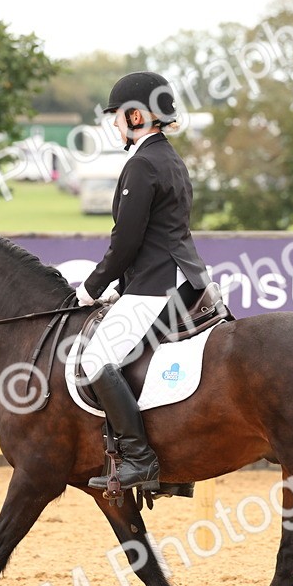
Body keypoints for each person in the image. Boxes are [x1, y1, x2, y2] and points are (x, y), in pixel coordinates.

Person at [75, 71, 213, 493]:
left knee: (95, 361)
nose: (116, 124)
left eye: (118, 116)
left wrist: (92, 288)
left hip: (159, 285)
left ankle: (140, 458)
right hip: (184, 278)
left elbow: (126, 242)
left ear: (137, 116)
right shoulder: (170, 158)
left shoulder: (142, 164)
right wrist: (124, 284)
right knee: (152, 367)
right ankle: (178, 472)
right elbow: (159, 235)